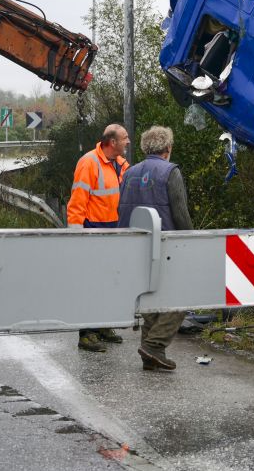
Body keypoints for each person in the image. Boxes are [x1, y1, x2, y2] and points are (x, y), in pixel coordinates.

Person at [117, 125, 193, 371]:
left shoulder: (130, 173)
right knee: (183, 294)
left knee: (151, 295)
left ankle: (149, 353)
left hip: (135, 243)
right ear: (168, 148)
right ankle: (155, 345)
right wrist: (190, 240)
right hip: (166, 243)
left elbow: (122, 208)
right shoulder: (170, 172)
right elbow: (180, 212)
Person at [67, 124, 131, 352]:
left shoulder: (120, 164)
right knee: (91, 283)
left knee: (109, 282)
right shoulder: (89, 162)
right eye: (125, 138)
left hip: (114, 230)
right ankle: (86, 334)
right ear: (112, 142)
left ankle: (103, 326)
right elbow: (78, 201)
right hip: (92, 231)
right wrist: (76, 234)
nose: (128, 142)